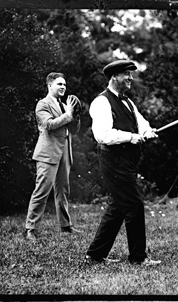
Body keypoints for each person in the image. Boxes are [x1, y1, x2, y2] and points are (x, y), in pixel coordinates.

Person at [85, 60, 161, 266]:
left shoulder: (128, 101)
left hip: (127, 160)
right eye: (126, 74)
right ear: (114, 77)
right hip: (113, 160)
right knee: (134, 204)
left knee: (118, 206)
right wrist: (130, 137)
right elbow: (103, 135)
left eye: (131, 74)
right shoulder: (101, 102)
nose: (130, 78)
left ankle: (95, 254)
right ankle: (138, 257)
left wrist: (146, 131)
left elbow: (140, 121)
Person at [25, 72, 81, 241]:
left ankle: (65, 226)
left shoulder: (65, 105)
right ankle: (30, 228)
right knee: (42, 191)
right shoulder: (42, 104)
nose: (63, 87)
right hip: (47, 153)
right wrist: (69, 114)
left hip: (64, 152)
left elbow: (73, 130)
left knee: (63, 191)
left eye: (64, 84)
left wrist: (76, 115)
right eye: (59, 84)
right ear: (50, 86)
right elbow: (49, 125)